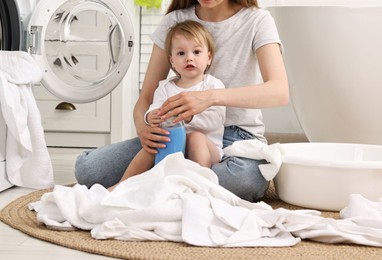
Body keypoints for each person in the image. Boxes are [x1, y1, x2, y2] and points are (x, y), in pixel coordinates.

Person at [75, 0, 289, 202]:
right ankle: (180, 180)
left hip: (237, 137)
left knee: (244, 181)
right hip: (175, 134)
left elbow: (279, 92)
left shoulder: (257, 20)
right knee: (88, 169)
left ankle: (163, 179)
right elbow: (147, 98)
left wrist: (208, 98)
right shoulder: (174, 22)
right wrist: (143, 128)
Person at [107, 20, 225, 191]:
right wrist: (151, 116)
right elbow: (154, 107)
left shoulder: (213, 85)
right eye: (181, 53)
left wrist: (190, 116)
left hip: (207, 148)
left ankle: (200, 186)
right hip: (174, 145)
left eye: (196, 52)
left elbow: (217, 119)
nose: (189, 57)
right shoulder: (165, 87)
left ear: (208, 58)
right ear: (172, 61)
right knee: (154, 144)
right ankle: (122, 186)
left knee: (196, 137)